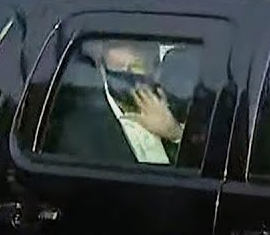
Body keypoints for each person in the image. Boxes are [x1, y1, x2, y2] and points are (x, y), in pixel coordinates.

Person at [43, 39, 186, 166]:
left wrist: (175, 134)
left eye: (140, 44)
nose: (132, 59)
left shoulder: (182, 103)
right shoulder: (79, 132)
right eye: (120, 45)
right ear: (100, 59)